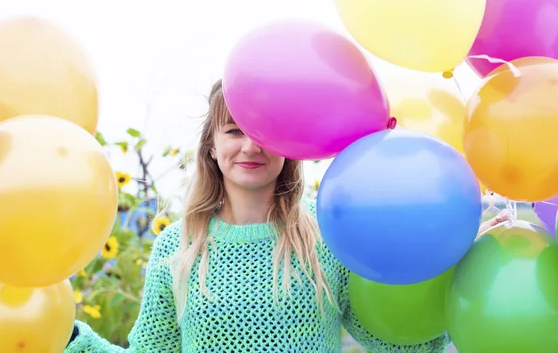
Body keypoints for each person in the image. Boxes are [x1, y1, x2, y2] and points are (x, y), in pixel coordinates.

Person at [64, 80, 507, 353]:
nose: (251, 147)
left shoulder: (329, 234)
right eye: (235, 131)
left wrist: (447, 269)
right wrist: (65, 335)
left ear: (289, 145)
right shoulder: (176, 247)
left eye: (265, 132)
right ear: (211, 148)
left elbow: (392, 340)